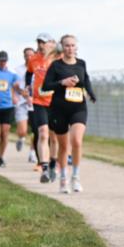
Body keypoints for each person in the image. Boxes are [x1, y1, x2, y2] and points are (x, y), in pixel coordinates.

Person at [43, 35, 95, 193]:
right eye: (67, 45)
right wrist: (62, 82)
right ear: (62, 47)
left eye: (72, 45)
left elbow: (86, 80)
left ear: (76, 47)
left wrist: (91, 94)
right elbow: (46, 86)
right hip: (59, 109)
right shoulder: (56, 65)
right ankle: (63, 178)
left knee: (77, 141)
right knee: (64, 146)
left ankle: (76, 177)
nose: (70, 48)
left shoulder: (81, 63)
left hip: (78, 107)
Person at [28, 34, 61, 183]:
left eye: (44, 42)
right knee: (42, 133)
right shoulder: (33, 59)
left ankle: (53, 163)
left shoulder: (58, 59)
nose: (41, 45)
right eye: (39, 42)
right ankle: (45, 168)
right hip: (39, 101)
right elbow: (29, 73)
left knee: (54, 137)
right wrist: (28, 87)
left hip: (55, 102)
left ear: (51, 44)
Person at [14, 47, 34, 156]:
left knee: (37, 130)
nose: (29, 57)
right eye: (27, 55)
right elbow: (15, 86)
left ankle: (32, 152)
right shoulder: (18, 70)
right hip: (21, 102)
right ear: (24, 56)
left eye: (31, 55)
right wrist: (22, 93)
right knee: (23, 131)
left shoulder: (38, 69)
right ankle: (21, 138)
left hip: (35, 103)